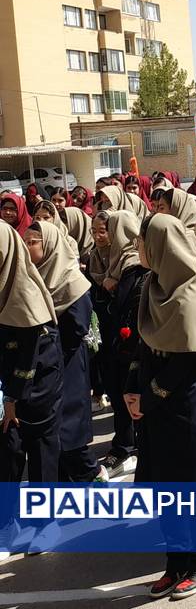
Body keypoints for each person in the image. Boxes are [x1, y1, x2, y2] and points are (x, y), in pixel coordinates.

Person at [126, 213, 196, 598]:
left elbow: (190, 359)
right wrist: (134, 391)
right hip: (155, 400)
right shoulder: (153, 284)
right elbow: (144, 345)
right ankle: (176, 561)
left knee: (192, 478)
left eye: (143, 243)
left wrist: (151, 394)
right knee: (165, 481)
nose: (138, 250)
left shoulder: (193, 290)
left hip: (185, 400)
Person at [25, 222, 100, 483]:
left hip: (68, 361)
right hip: (48, 364)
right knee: (54, 431)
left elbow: (76, 328)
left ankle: (92, 476)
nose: (27, 246)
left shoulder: (72, 281)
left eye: (32, 241)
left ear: (49, 245)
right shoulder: (33, 277)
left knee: (70, 425)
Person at [0, 221, 62, 494]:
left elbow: (29, 357)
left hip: (37, 386)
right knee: (10, 449)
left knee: (39, 449)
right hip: (9, 387)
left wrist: (11, 399)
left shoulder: (24, 293)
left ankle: (45, 522)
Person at [99, 210, 147, 477]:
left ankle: (127, 445)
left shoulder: (131, 263)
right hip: (120, 343)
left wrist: (109, 287)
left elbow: (120, 307)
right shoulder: (118, 261)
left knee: (126, 394)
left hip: (128, 345)